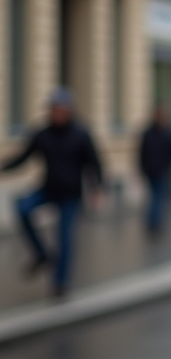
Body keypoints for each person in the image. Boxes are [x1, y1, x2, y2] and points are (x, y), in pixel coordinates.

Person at [1, 89, 103, 297]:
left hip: (71, 195)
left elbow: (94, 162)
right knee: (22, 208)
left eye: (62, 110)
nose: (58, 114)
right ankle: (42, 255)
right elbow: (23, 157)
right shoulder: (43, 134)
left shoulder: (80, 134)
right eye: (55, 110)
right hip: (48, 189)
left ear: (69, 111)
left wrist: (97, 188)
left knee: (65, 239)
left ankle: (60, 283)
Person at [138, 106, 171, 235]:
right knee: (158, 197)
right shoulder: (166, 133)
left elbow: (142, 153)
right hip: (158, 170)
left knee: (154, 196)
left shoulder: (149, 133)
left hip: (154, 169)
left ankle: (152, 221)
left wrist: (142, 168)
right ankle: (155, 222)